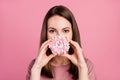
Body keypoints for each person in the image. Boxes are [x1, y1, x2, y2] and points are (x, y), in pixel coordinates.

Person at [26, 5, 96, 80]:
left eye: (65, 31)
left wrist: (82, 67)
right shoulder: (35, 66)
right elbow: (36, 68)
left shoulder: (87, 66)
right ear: (46, 34)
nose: (59, 36)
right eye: (52, 31)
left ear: (73, 33)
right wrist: (37, 68)